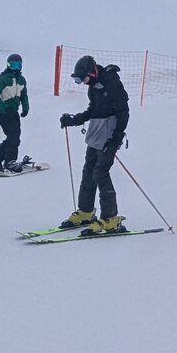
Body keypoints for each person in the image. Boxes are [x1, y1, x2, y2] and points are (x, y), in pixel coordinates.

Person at [56, 54, 130, 234]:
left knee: (100, 173)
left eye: (84, 79)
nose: (83, 83)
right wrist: (74, 120)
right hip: (96, 135)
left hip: (109, 136)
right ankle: (86, 212)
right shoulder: (93, 86)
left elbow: (124, 112)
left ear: (93, 72)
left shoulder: (112, 83)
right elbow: (93, 110)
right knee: (88, 173)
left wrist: (115, 140)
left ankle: (110, 218)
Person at [0, 53, 33, 173]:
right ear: (8, 65)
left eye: (18, 65)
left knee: (15, 136)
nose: (16, 68)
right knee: (13, 136)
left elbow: (24, 95)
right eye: (13, 65)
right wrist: (4, 107)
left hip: (13, 112)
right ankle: (9, 162)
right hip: (3, 112)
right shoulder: (4, 79)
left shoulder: (22, 80)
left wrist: (25, 108)